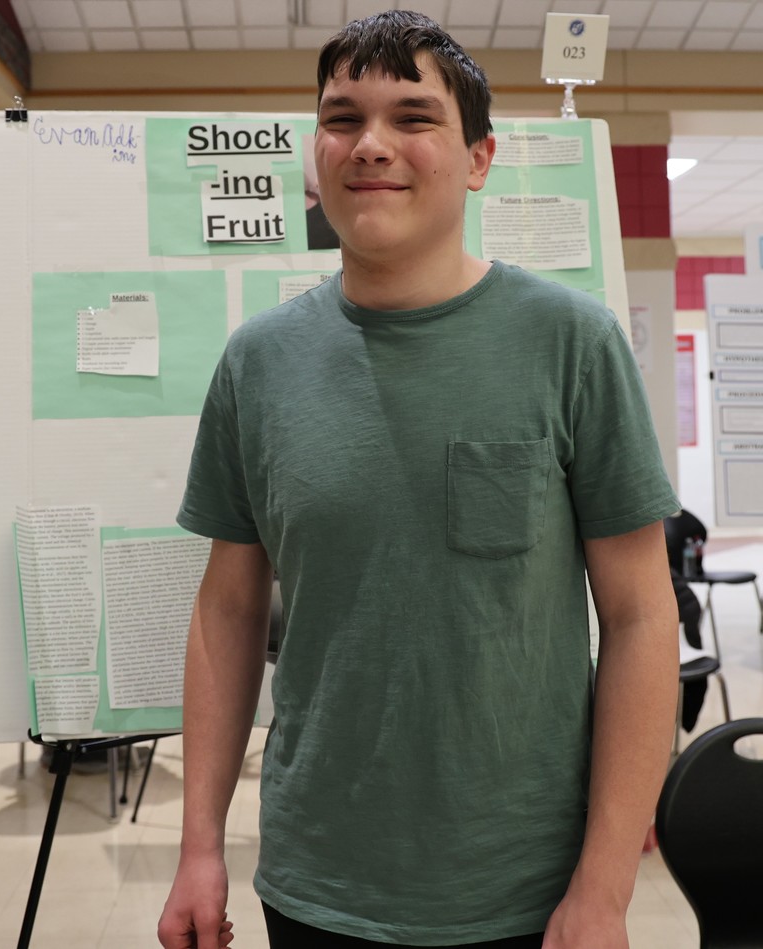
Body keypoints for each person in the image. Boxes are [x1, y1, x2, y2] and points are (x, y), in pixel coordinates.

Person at [159, 10, 679, 949]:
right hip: (316, 879)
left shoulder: (571, 343)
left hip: (528, 888)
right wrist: (199, 844)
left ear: (478, 157)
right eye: (342, 117)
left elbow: (643, 615)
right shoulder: (259, 362)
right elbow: (226, 611)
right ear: (315, 151)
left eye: (413, 117)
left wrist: (604, 887)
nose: (372, 146)